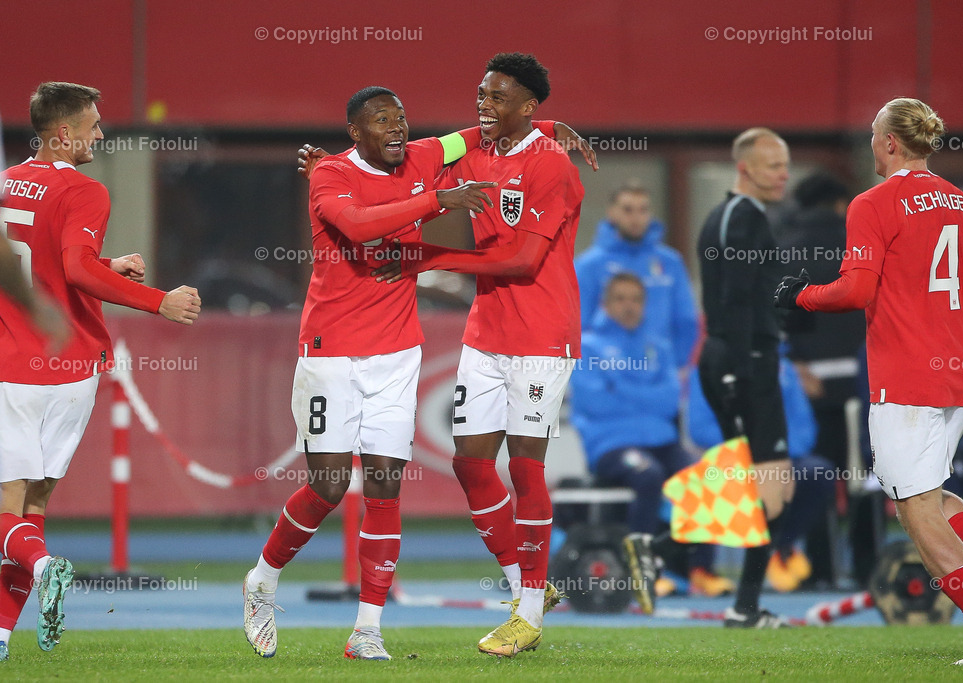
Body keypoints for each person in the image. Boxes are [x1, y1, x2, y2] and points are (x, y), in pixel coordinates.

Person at [254, 90, 594, 661]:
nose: (396, 128)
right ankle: (262, 580)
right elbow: (357, 225)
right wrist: (438, 201)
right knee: (329, 486)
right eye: (380, 120)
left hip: (396, 356)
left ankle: (368, 631)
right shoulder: (330, 174)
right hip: (331, 352)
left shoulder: (425, 154)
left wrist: (551, 123)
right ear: (354, 131)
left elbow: (487, 130)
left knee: (386, 485)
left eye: (401, 118)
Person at [775, 97, 963, 664]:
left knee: (914, 510)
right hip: (956, 376)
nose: (871, 142)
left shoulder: (873, 202)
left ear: (889, 142)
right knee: (927, 494)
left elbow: (856, 289)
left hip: (906, 379)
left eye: (873, 133)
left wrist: (801, 295)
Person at [385, 52, 584, 657]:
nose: (483, 105)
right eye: (481, 94)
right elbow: (406, 158)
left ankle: (529, 613)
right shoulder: (477, 152)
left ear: (528, 105)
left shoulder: (552, 166)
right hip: (486, 332)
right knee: (471, 464)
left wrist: (429, 258)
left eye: (498, 97)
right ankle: (527, 586)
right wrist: (333, 168)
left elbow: (523, 260)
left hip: (541, 334)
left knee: (525, 467)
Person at [0, 81, 201, 662]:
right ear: (64, 134)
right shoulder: (84, 190)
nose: (101, 134)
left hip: (15, 366)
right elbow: (73, 270)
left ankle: (43, 569)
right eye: (92, 126)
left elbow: (40, 264)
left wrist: (106, 267)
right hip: (72, 370)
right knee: (33, 507)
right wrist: (158, 300)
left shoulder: (6, 184)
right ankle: (4, 634)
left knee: (8, 510)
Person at [571, 272, 732, 613]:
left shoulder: (657, 345)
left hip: (660, 439)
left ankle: (701, 570)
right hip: (611, 444)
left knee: (707, 474)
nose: (629, 306)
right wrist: (645, 395)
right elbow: (595, 403)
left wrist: (620, 387)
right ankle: (641, 572)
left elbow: (670, 400)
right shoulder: (587, 346)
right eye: (620, 299)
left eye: (636, 299)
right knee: (648, 475)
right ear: (605, 303)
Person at [696, 127, 793, 628]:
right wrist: (738, 370)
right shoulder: (743, 217)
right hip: (745, 363)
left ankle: (744, 604)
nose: (783, 174)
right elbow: (734, 300)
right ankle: (743, 605)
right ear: (744, 167)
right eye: (774, 165)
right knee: (770, 487)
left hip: (741, 359)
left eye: (785, 165)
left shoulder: (730, 215)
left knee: (759, 484)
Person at [778, 172, 879, 589]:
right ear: (841, 205)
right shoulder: (861, 244)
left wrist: (795, 363)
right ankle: (868, 568)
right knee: (868, 475)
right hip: (864, 380)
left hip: (810, 386)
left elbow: (779, 318)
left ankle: (819, 569)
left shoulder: (784, 248)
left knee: (818, 476)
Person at [687, 345, 834, 593]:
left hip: (781, 456)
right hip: (733, 458)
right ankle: (701, 569)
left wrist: (777, 452)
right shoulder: (708, 367)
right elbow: (700, 428)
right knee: (705, 478)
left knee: (818, 471)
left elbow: (804, 425)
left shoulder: (783, 367)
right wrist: (751, 450)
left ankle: (779, 547)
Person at [575, 181, 699, 365]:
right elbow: (578, 324)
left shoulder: (670, 262)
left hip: (660, 369)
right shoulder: (588, 265)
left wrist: (678, 365)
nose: (636, 218)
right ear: (611, 213)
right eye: (628, 210)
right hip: (606, 370)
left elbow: (685, 319)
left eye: (643, 210)